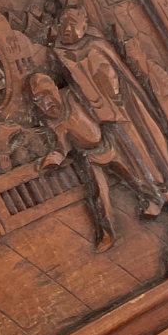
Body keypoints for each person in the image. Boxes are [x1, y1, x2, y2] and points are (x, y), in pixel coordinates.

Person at [51, 0, 168, 220]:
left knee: (148, 146)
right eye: (62, 25)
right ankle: (153, 197)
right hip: (104, 114)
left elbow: (122, 74)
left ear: (84, 22)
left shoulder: (98, 46)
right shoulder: (63, 54)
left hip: (128, 106)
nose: (67, 30)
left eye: (72, 23)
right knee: (129, 156)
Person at [28, 72, 129, 252]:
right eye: (37, 101)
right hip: (88, 156)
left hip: (109, 142)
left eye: (46, 96)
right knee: (99, 196)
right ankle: (107, 234)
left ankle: (158, 201)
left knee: (137, 177)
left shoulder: (74, 94)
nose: (45, 104)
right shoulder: (51, 121)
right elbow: (62, 145)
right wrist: (54, 159)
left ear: (54, 89)